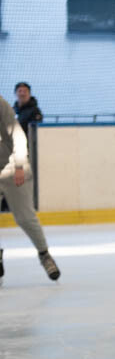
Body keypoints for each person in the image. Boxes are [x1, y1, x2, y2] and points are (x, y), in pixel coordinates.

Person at [0, 94, 60, 283]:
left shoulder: (1, 105)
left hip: (13, 168)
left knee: (25, 217)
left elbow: (17, 135)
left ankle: (44, 255)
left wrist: (18, 165)